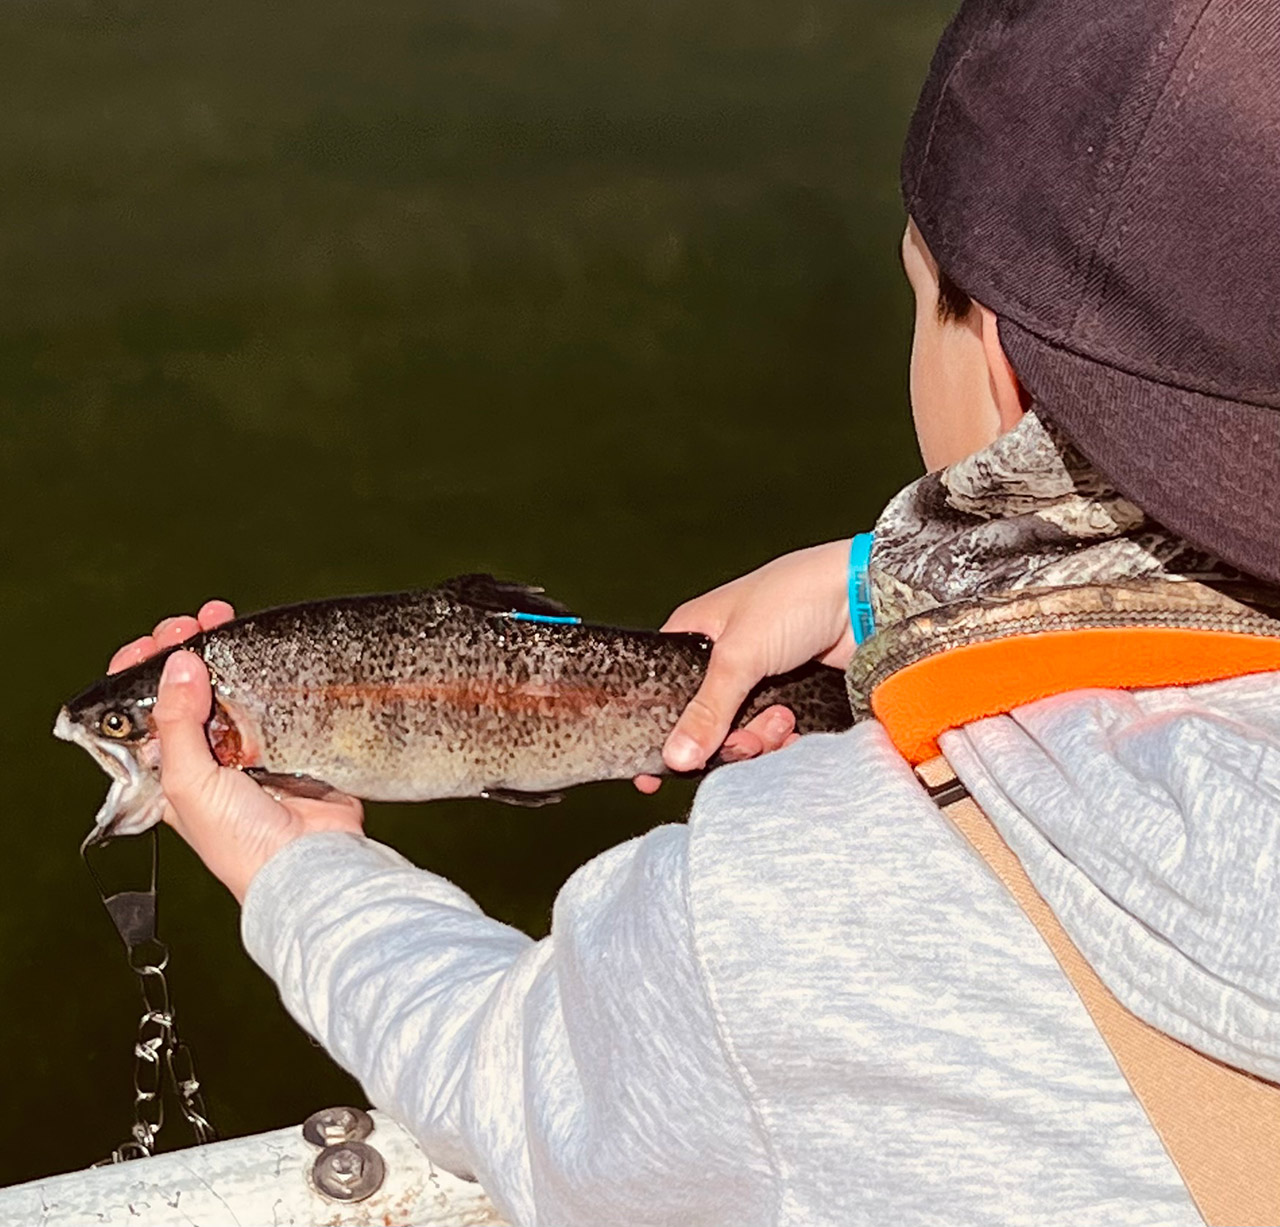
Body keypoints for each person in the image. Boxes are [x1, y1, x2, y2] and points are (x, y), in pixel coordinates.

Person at [106, 1, 1280, 1222]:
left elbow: (509, 1084)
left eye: (916, 293)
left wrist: (300, 867)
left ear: (1000, 368)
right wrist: (882, 581)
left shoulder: (789, 909)